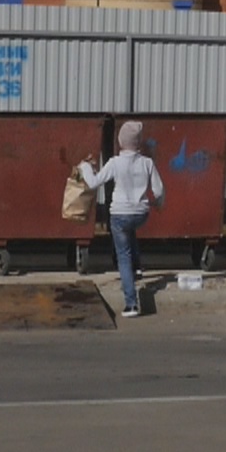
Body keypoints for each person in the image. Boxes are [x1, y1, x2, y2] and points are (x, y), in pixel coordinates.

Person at [80, 120, 164, 317]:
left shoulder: (115, 163)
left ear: (120, 142)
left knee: (122, 257)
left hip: (119, 215)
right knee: (130, 229)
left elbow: (93, 183)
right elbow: (158, 190)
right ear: (138, 143)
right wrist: (158, 204)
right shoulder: (147, 163)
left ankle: (131, 304)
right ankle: (137, 268)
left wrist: (85, 167)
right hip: (141, 214)